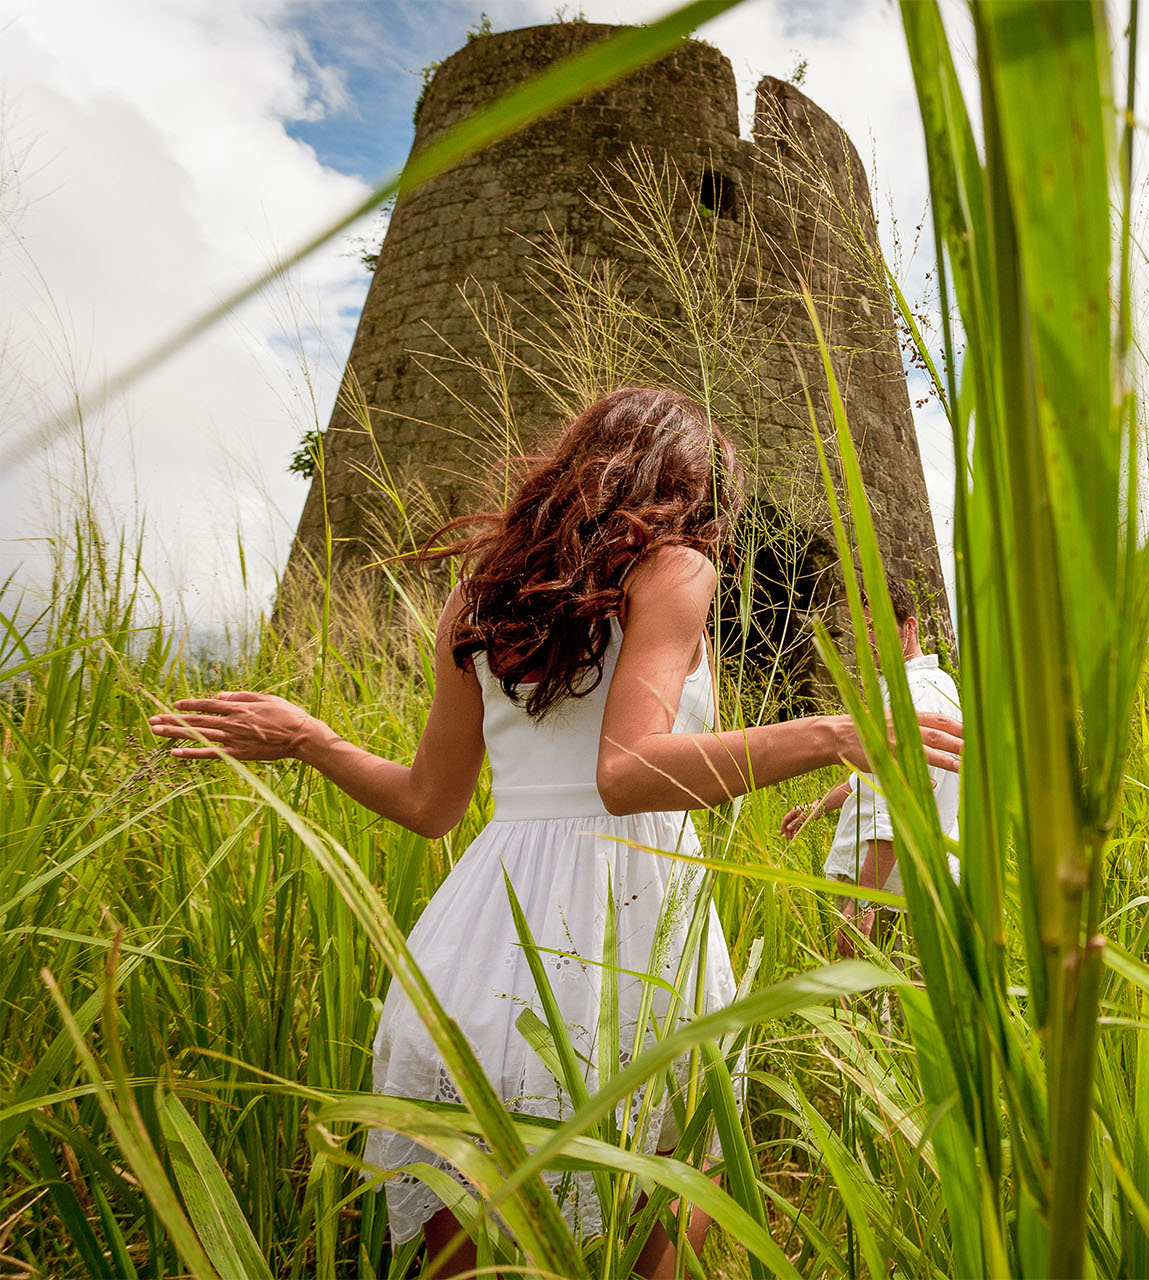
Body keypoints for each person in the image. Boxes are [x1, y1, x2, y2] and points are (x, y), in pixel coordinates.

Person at [147, 387, 962, 1278]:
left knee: (469, 1218)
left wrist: (314, 738)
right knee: (676, 1182)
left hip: (482, 940)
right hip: (629, 922)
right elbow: (628, 773)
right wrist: (833, 734)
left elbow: (429, 805)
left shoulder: (479, 594)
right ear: (690, 486)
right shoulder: (678, 568)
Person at [780, 581, 962, 958]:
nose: (867, 640)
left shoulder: (919, 695)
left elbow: (902, 801)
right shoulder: (910, 687)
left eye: (876, 627)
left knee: (875, 991)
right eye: (862, 629)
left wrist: (865, 902)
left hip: (893, 893)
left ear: (909, 627)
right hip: (894, 886)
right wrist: (818, 807)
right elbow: (867, 776)